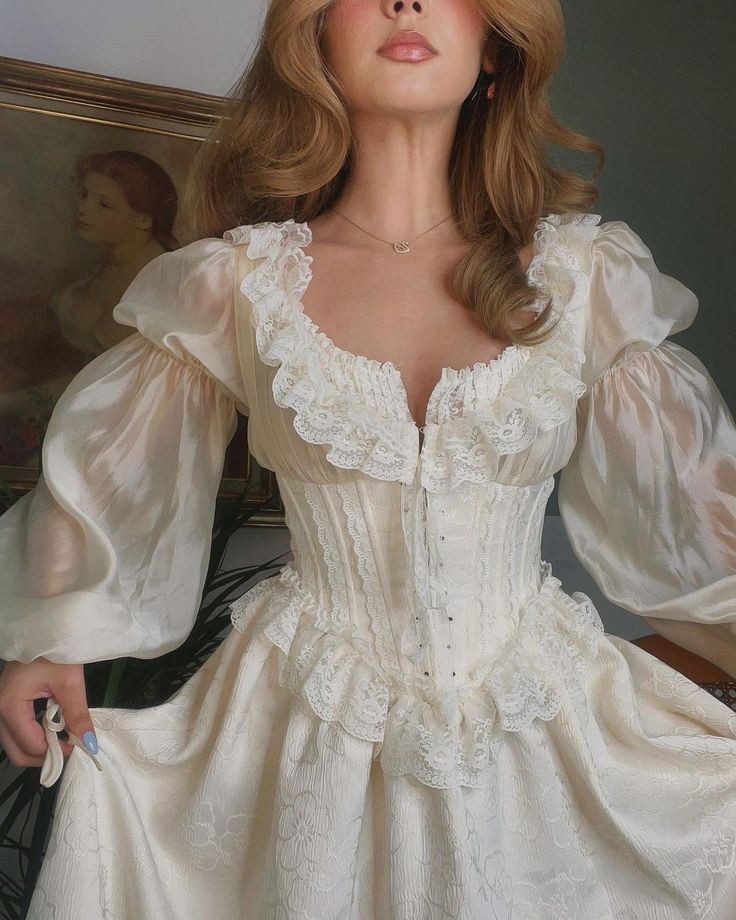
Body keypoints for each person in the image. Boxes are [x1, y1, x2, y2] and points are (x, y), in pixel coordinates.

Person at [1, 0, 735, 916]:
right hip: (299, 728)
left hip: (542, 723)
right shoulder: (236, 282)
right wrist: (56, 639)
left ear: (496, 51)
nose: (405, 2)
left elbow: (692, 511)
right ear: (314, 41)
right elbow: (112, 471)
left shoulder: (587, 278)